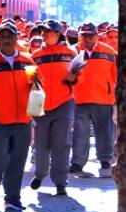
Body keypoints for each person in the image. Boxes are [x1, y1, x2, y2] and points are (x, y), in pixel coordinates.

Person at [0, 23, 40, 210]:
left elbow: (38, 88)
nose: (6, 40)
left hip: (23, 120)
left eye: (9, 36)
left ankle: (12, 198)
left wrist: (37, 85)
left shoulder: (28, 62)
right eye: (2, 36)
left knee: (18, 160)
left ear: (16, 38)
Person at [29, 20, 79, 195]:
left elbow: (80, 78)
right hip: (40, 103)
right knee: (40, 143)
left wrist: (73, 78)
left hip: (64, 102)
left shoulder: (71, 53)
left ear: (58, 34)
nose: (44, 34)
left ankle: (60, 182)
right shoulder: (35, 55)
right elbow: (28, 79)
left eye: (49, 31)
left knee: (61, 144)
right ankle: (40, 174)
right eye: (43, 31)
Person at [69, 22, 117, 178]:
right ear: (80, 36)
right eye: (84, 35)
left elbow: (116, 77)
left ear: (97, 35)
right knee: (79, 132)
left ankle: (105, 160)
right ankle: (77, 163)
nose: (87, 38)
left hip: (103, 98)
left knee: (104, 132)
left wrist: (115, 98)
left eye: (90, 35)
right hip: (79, 99)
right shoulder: (74, 52)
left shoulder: (109, 52)